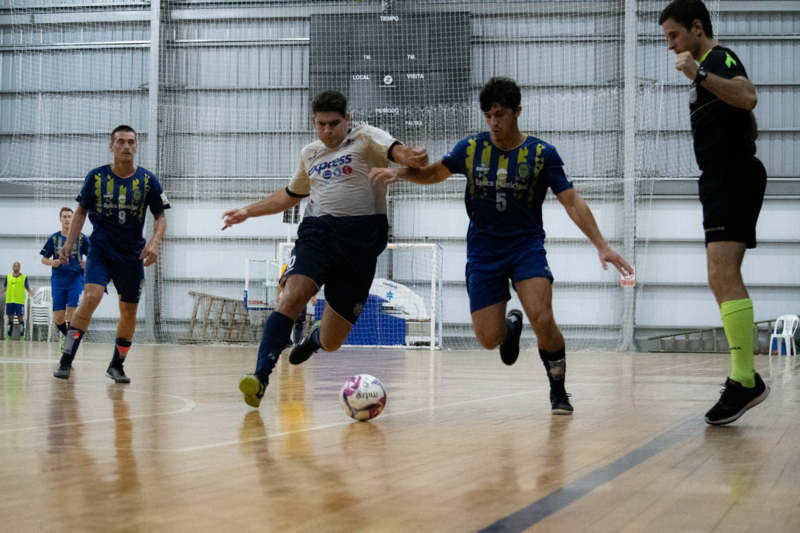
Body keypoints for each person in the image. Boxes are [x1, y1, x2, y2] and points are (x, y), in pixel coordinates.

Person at [369, 77, 632, 415]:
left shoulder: (542, 154)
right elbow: (434, 173)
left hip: (526, 246)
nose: (493, 123)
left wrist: (602, 245)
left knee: (543, 317)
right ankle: (510, 328)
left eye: (500, 115)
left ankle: (558, 391)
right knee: (488, 339)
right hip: (483, 251)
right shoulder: (471, 148)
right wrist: (402, 173)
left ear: (517, 111)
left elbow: (571, 201)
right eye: (488, 116)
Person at [223, 90, 428, 408]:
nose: (328, 130)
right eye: (321, 124)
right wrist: (248, 211)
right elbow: (290, 194)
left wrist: (409, 157)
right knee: (291, 296)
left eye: (334, 123)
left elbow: (394, 149)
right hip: (318, 233)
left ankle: (315, 338)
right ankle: (260, 377)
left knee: (333, 341)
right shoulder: (310, 154)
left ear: (347, 119)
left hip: (361, 243)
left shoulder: (365, 138)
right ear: (313, 123)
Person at [660, 0, 769, 425]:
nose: (670, 45)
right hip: (720, 178)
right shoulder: (704, 70)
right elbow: (745, 117)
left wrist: (700, 74)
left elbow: (749, 96)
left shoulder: (718, 59)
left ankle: (745, 380)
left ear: (696, 27)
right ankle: (744, 378)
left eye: (674, 35)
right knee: (718, 275)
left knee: (724, 273)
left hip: (732, 176)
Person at [53, 124, 170, 382]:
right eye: (121, 141)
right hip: (100, 250)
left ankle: (117, 365)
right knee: (91, 297)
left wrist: (155, 242)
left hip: (132, 255)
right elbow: (81, 211)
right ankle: (66, 359)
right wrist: (69, 244)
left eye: (131, 142)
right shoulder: (96, 177)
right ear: (111, 146)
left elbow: (160, 217)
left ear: (136, 146)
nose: (126, 146)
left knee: (129, 310)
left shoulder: (148, 180)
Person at [40, 207, 89, 346]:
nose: (67, 219)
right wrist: (52, 262)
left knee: (72, 312)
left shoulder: (81, 238)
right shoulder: (54, 238)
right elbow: (43, 259)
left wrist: (87, 263)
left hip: (75, 279)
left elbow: (93, 255)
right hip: (58, 280)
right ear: (60, 219)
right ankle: (68, 337)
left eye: (69, 216)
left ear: (73, 219)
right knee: (58, 318)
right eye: (64, 217)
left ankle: (69, 345)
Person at [276, 262, 317, 345]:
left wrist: (313, 296)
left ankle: (297, 343)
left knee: (299, 322)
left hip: (301, 298)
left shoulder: (306, 266)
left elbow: (310, 282)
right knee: (287, 320)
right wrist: (278, 295)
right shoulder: (287, 266)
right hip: (288, 297)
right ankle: (286, 340)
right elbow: (281, 282)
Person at [4, 261, 35, 339]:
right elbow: (4, 288)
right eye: (14, 266)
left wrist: (34, 296)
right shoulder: (8, 277)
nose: (16, 267)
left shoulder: (24, 277)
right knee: (10, 320)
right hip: (10, 300)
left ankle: (21, 336)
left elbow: (28, 288)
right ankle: (9, 336)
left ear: (20, 267)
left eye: (17, 266)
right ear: (12, 267)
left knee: (20, 319)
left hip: (19, 301)